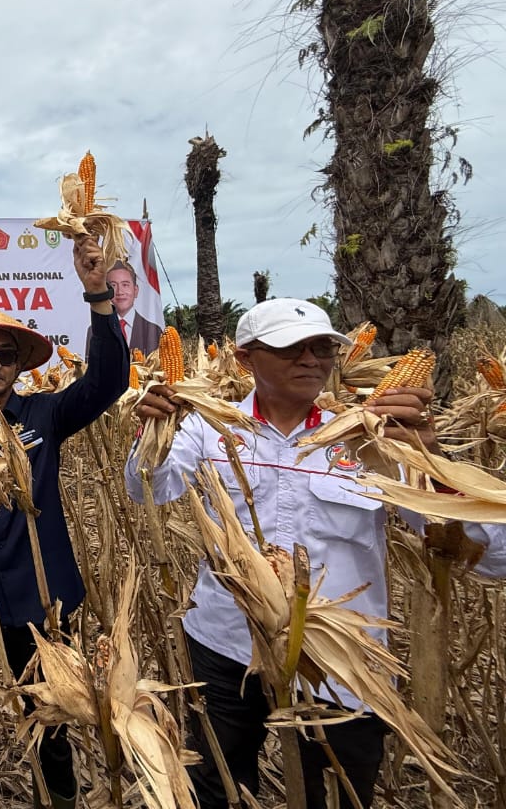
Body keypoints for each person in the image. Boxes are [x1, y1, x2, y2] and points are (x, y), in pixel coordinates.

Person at [126, 297, 506, 809]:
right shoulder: (209, 429)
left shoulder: (372, 437)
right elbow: (147, 489)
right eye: (291, 348)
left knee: (338, 791)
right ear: (245, 359)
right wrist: (153, 429)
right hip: (225, 641)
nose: (310, 360)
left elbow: (488, 554)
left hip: (340, 656)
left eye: (322, 348)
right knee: (218, 785)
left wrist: (430, 460)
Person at [0, 233, 129, 809]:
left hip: (39, 599)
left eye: (5, 355)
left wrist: (98, 294)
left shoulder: (45, 413)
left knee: (52, 719)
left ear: (19, 365)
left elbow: (109, 382)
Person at [86, 259, 161, 355]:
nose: (120, 292)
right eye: (113, 285)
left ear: (135, 290)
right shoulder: (94, 331)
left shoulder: (154, 330)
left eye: (125, 285)